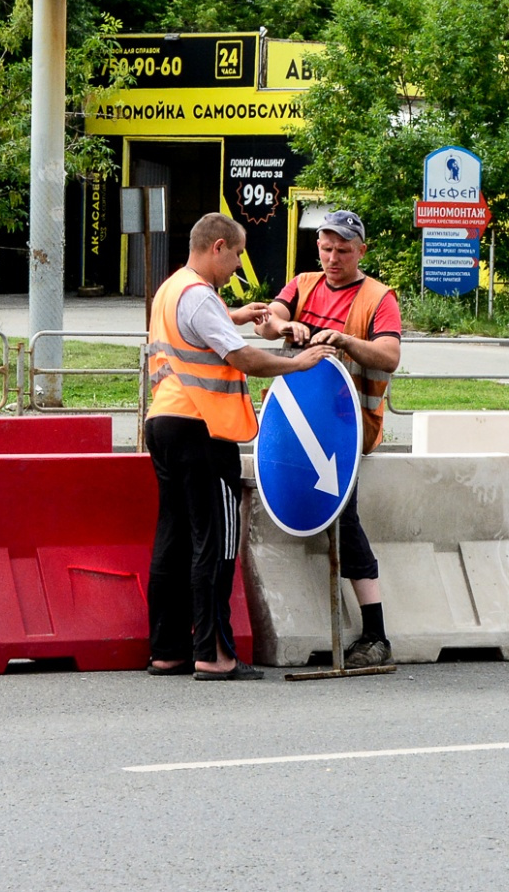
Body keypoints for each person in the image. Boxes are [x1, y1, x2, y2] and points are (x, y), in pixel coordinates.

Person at [145, 212, 335, 681]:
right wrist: (299, 363)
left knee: (173, 540)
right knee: (216, 543)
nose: (237, 266)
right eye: (236, 254)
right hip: (204, 430)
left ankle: (168, 651)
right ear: (218, 247)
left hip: (165, 423)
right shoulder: (199, 295)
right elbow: (243, 357)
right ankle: (214, 654)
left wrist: (236, 315)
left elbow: (195, 330)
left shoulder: (173, 288)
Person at [253, 209, 402, 668]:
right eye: (326, 249)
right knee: (324, 514)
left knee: (345, 518)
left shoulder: (379, 297)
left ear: (361, 251)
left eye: (343, 250)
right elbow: (265, 321)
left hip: (345, 428)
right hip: (296, 428)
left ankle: (376, 635)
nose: (333, 258)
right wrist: (284, 326)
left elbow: (389, 355)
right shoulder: (302, 284)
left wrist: (346, 341)